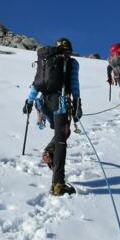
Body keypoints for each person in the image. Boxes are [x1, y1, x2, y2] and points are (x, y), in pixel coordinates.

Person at [22, 38, 81, 196]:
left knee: (63, 132)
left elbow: (36, 84)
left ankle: (50, 151)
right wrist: (77, 103)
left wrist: (28, 102)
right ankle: (58, 184)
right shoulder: (71, 63)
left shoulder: (47, 60)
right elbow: (74, 85)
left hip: (44, 103)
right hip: (60, 101)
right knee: (61, 138)